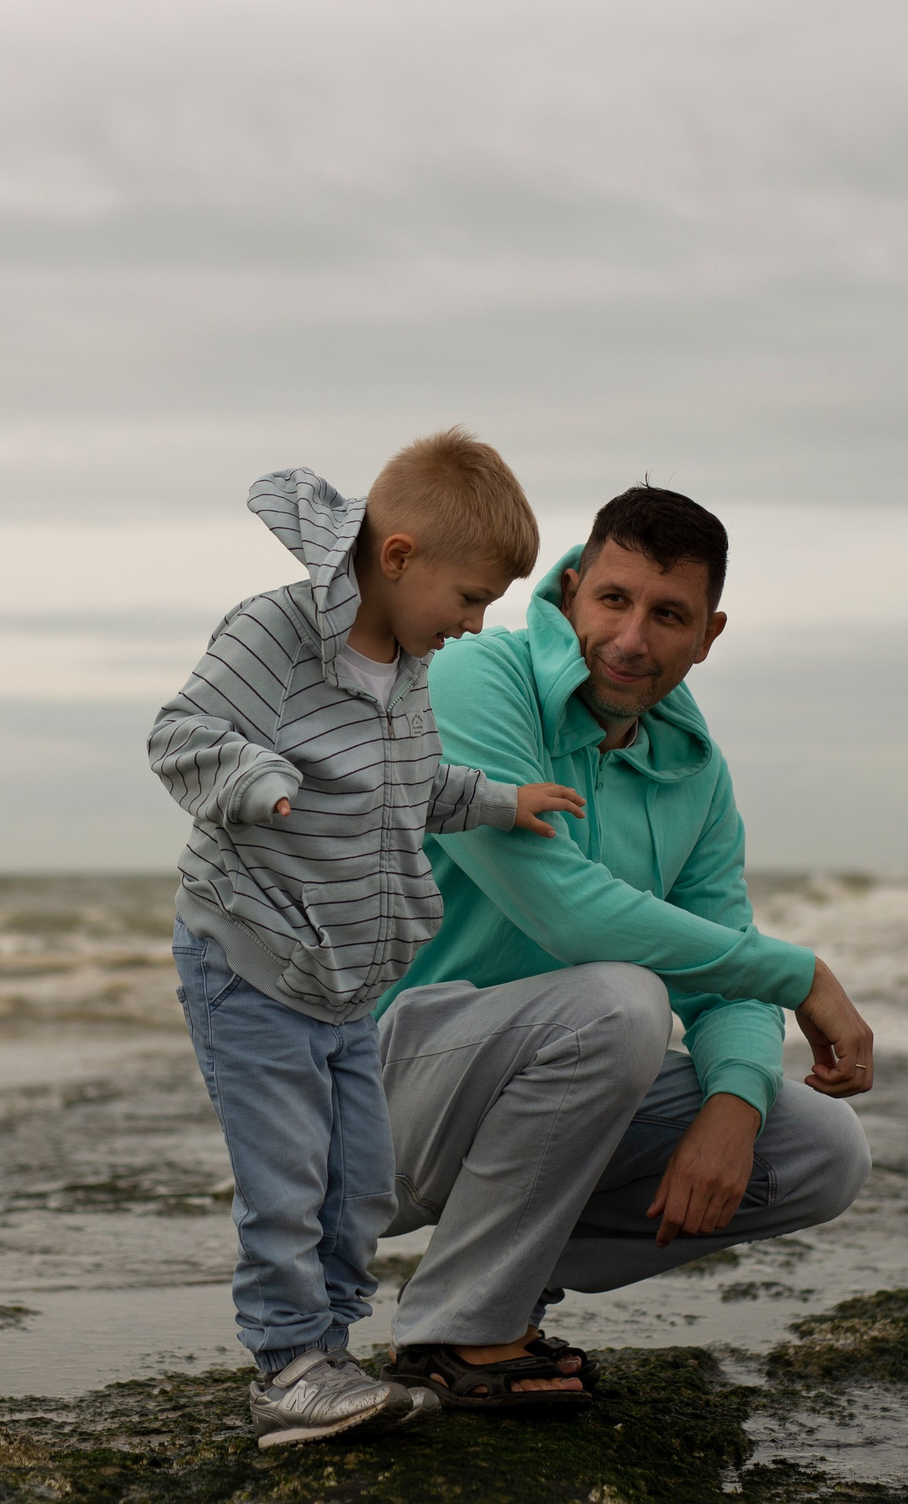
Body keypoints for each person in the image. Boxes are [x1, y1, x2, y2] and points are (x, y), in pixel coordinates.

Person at [374, 484, 876, 1412]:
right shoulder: (475, 681)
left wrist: (735, 1101)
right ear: (571, 591)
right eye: (614, 600)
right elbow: (570, 912)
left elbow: (719, 958)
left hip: (547, 1078)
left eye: (668, 614)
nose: (632, 638)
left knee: (818, 1151)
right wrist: (801, 973)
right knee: (623, 998)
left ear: (709, 635)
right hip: (372, 1094)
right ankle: (462, 1327)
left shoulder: (694, 766)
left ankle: (491, 1292)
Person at [146, 430, 587, 1448]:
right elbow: (179, 734)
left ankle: (327, 1355)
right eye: (468, 599)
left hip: (346, 978)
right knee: (286, 1174)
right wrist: (258, 782)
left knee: (361, 1179)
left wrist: (495, 799)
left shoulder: (409, 662)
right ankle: (284, 1362)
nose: (476, 625)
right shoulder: (278, 632)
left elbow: (413, 786)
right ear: (397, 559)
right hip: (249, 958)